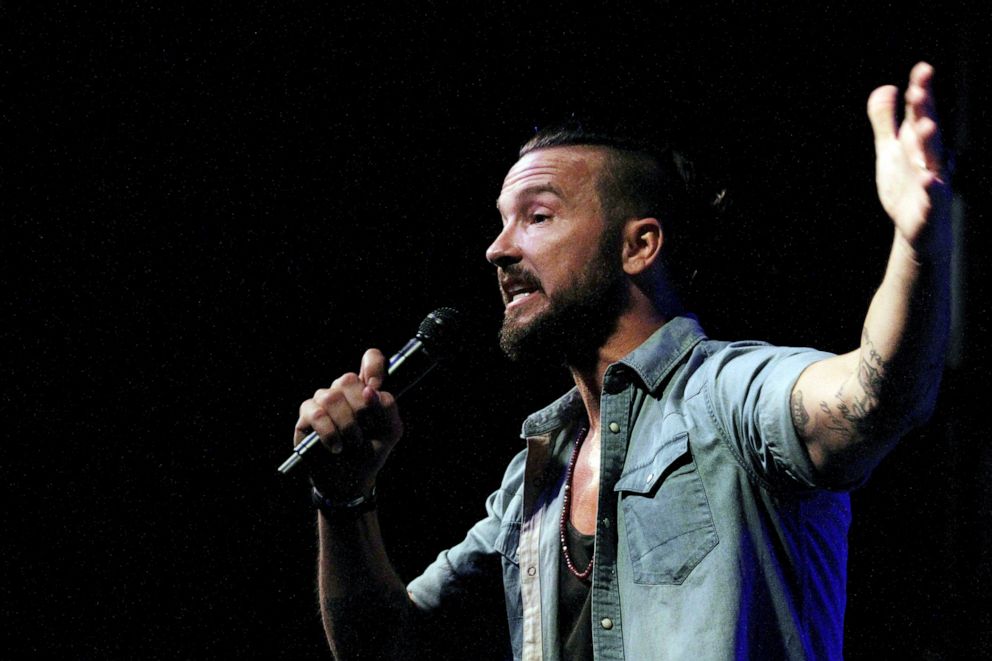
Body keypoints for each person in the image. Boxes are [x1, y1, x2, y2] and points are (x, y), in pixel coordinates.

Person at [292, 62, 950, 660]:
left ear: (639, 245)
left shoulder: (727, 397)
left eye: (538, 216)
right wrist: (344, 498)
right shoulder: (535, 479)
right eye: (502, 221)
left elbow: (874, 395)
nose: (498, 248)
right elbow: (382, 645)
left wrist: (918, 246)